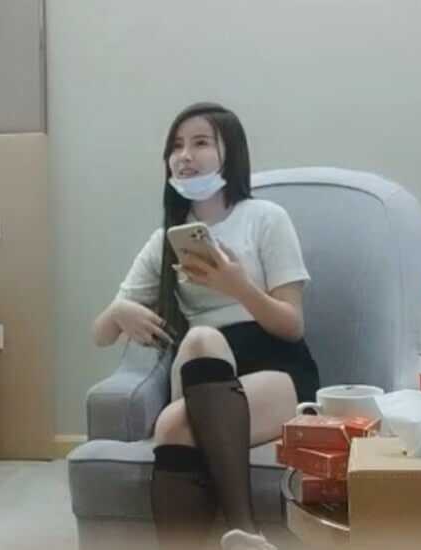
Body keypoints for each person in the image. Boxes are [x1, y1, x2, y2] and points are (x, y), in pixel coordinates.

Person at [93, 102, 320, 550]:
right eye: (176, 146)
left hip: (274, 368)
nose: (184, 156)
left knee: (172, 426)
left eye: (200, 143)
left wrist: (238, 287)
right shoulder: (166, 240)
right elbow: (100, 334)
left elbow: (292, 326)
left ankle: (241, 535)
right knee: (200, 339)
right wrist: (119, 311)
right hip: (202, 370)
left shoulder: (266, 218)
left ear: (229, 153)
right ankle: (248, 533)